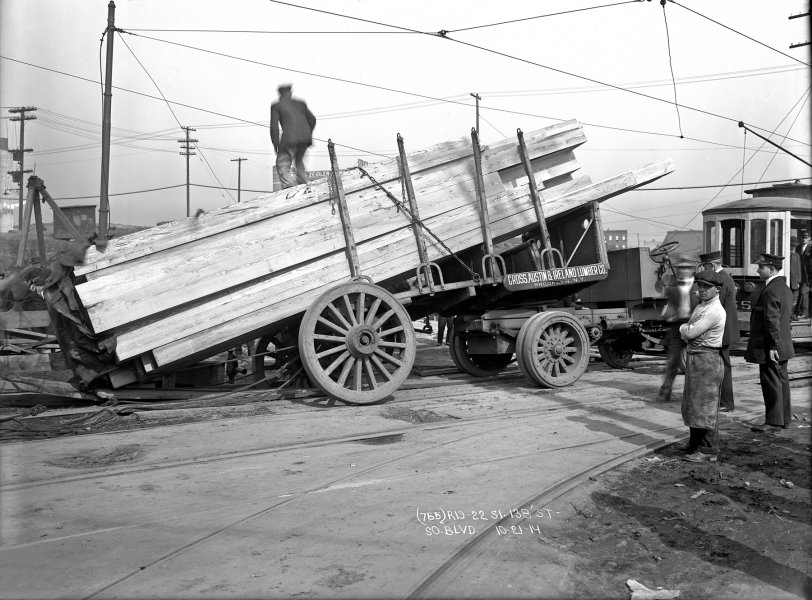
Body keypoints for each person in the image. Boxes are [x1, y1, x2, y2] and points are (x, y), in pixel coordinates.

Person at [678, 269, 727, 462]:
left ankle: (709, 450)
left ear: (718, 289)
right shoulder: (703, 306)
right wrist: (687, 329)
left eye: (708, 287)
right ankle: (694, 443)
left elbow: (690, 332)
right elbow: (691, 330)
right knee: (694, 404)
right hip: (697, 358)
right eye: (701, 286)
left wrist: (683, 329)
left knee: (706, 406)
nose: (703, 289)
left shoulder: (714, 310)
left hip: (708, 360)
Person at [745, 253, 795, 432]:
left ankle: (773, 422)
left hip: (771, 346)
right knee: (781, 381)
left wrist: (773, 346)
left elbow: (771, 320)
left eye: (761, 267)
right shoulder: (784, 287)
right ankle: (784, 419)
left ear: (771, 269)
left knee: (771, 382)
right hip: (783, 344)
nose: (757, 270)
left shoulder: (771, 289)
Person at [698, 250, 740, 412]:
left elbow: (715, 304)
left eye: (705, 266)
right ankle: (722, 401)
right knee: (721, 366)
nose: (704, 269)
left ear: (711, 265)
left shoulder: (721, 279)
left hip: (722, 331)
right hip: (724, 330)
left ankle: (726, 402)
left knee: (722, 367)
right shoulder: (725, 277)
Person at [657, 256, 698, 403]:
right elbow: (670, 307)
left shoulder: (699, 287)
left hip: (695, 327)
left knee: (695, 362)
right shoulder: (673, 288)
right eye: (680, 268)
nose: (682, 271)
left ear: (692, 270)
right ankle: (665, 390)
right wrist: (669, 315)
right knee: (672, 360)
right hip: (677, 327)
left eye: (686, 268)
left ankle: (693, 394)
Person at [270, 84, 317, 189]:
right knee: (299, 161)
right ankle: (304, 185)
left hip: (289, 138)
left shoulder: (276, 105)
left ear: (280, 94)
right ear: (290, 93)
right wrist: (307, 133)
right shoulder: (301, 104)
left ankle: (289, 188)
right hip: (305, 139)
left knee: (283, 163)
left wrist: (276, 143)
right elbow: (312, 119)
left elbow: (274, 127)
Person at [794, 229, 811, 319]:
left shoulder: (811, 248)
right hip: (799, 274)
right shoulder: (798, 248)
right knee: (800, 293)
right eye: (803, 237)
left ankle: (803, 313)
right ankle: (798, 312)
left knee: (803, 292)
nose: (804, 239)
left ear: (810, 239)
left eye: (806, 237)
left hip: (808, 276)